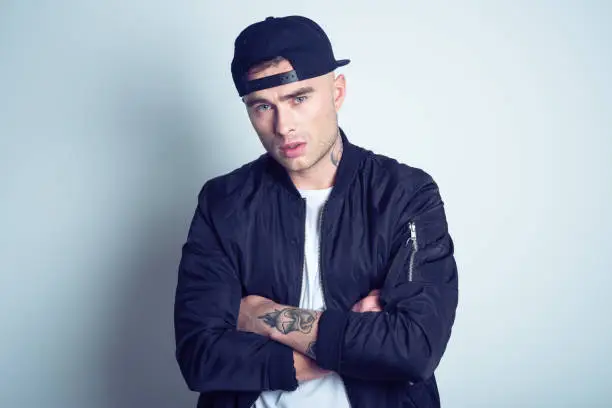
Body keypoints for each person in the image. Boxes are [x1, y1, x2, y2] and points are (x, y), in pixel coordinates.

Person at [174, 15, 459, 408]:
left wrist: (260, 314)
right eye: (262, 106)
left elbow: (414, 349)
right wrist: (358, 343)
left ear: (337, 92)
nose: (283, 125)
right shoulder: (223, 202)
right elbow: (200, 358)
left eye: (299, 98)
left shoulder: (405, 194)